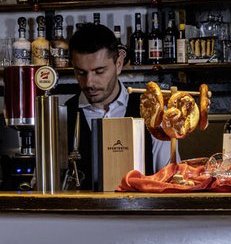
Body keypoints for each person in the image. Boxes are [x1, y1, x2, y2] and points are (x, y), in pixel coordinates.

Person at [65, 22, 171, 188]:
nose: (89, 82)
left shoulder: (153, 111)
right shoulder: (62, 115)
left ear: (119, 63)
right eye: (81, 72)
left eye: (99, 71)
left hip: (142, 205)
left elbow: (170, 178)